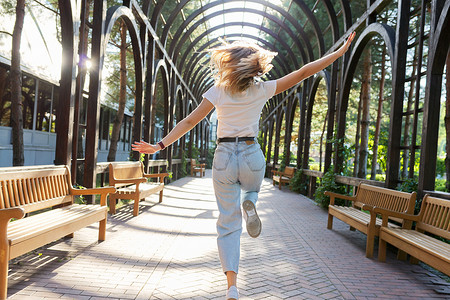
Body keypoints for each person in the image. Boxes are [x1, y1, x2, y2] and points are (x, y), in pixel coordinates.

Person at [132, 32, 356, 300]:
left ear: (230, 63)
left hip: (224, 157)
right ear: (254, 66)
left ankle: (232, 287)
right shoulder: (262, 89)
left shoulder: (218, 92)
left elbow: (189, 122)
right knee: (252, 189)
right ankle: (250, 201)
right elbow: (304, 72)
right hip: (251, 154)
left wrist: (159, 145)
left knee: (228, 224)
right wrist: (339, 53)